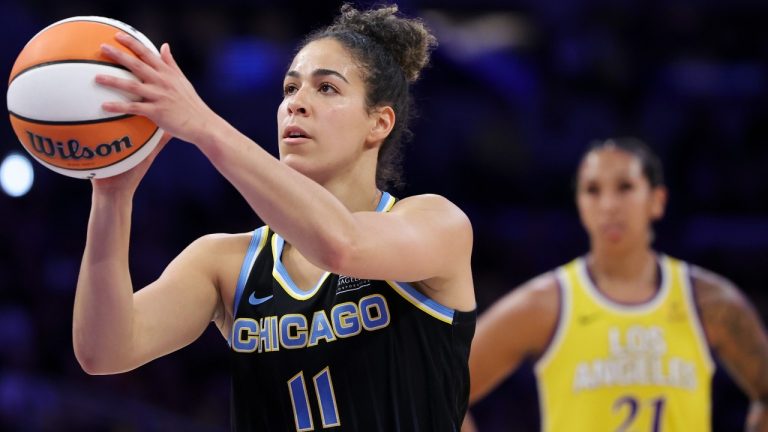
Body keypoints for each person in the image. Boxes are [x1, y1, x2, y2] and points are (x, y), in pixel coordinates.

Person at [73, 4, 476, 431]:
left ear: (379, 123)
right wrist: (112, 198)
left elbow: (342, 245)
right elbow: (104, 351)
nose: (297, 104)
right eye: (289, 89)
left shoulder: (437, 223)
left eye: (326, 89)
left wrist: (204, 124)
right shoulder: (224, 261)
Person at [463, 138, 768, 431]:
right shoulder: (546, 303)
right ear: (580, 205)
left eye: (625, 187)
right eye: (593, 190)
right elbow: (444, 389)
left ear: (657, 200)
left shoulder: (709, 302)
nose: (608, 204)